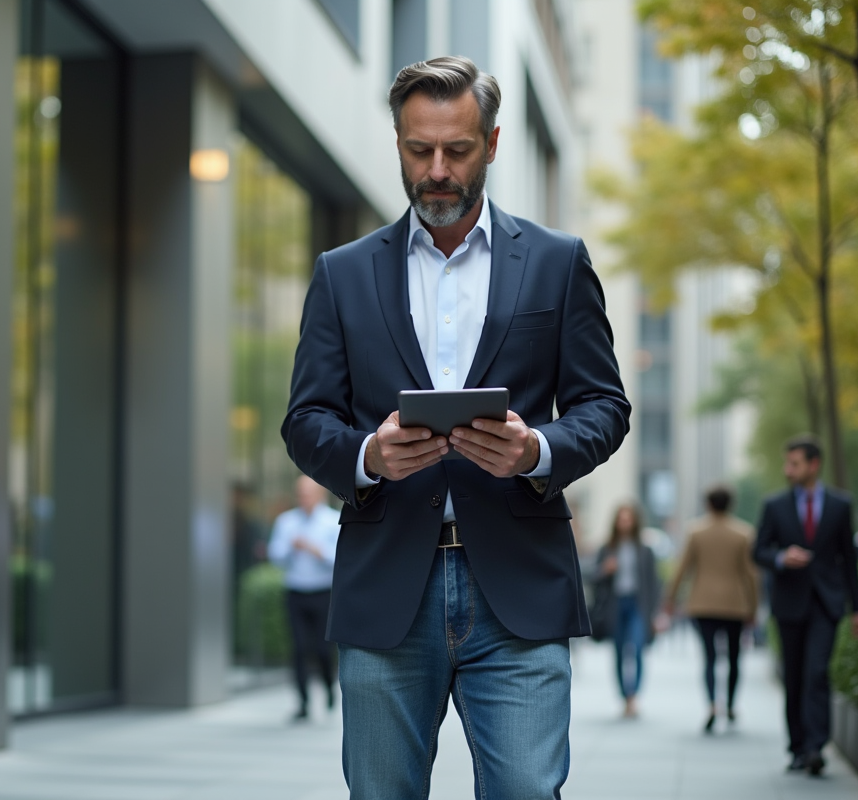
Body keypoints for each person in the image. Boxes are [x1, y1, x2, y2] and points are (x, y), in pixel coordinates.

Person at [281, 56, 630, 799]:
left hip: (519, 587)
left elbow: (605, 405)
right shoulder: (342, 274)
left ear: (493, 144)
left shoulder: (558, 263)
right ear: (398, 143)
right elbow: (305, 421)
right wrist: (369, 456)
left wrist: (537, 449)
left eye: (458, 150)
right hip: (386, 590)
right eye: (419, 149)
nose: (437, 171)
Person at [754, 435, 858, 776]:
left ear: (814, 465)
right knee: (794, 676)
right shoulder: (774, 505)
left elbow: (849, 558)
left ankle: (817, 746)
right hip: (789, 602)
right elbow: (758, 551)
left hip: (826, 603)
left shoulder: (840, 505)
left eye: (795, 463)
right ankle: (798, 747)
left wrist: (857, 608)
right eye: (787, 463)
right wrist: (781, 557)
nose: (788, 470)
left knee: (816, 672)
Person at [663, 485, 759, 733]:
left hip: (703, 603)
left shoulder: (696, 531)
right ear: (731, 504)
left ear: (708, 504)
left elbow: (683, 568)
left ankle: (712, 705)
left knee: (709, 657)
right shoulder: (743, 533)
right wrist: (754, 606)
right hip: (735, 604)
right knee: (735, 657)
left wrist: (671, 598)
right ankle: (731, 705)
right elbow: (751, 574)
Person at [267, 475, 341, 721]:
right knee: (299, 648)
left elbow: (341, 559)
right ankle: (303, 702)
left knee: (322, 648)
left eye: (308, 494)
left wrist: (317, 551)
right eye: (300, 494)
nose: (303, 498)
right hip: (296, 592)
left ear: (320, 495)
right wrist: (291, 548)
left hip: (323, 593)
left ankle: (329, 687)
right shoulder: (286, 521)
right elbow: (275, 556)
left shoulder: (332, 521)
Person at [594, 503, 660, 719]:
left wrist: (655, 613)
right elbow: (594, 578)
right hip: (615, 604)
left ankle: (633, 695)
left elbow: (653, 583)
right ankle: (624, 695)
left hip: (637, 605)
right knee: (619, 650)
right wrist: (605, 570)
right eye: (621, 519)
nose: (625, 523)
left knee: (638, 647)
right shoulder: (607, 548)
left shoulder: (645, 550)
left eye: (628, 519)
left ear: (634, 522)